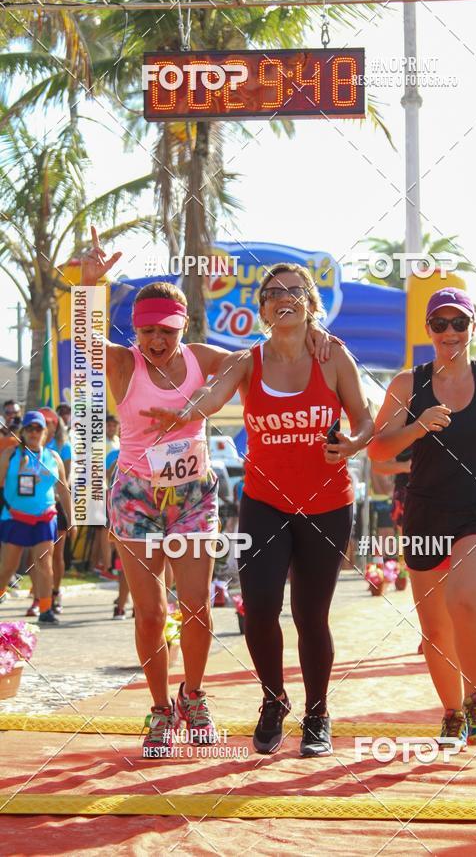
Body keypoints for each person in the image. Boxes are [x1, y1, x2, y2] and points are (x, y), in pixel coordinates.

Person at [81, 230, 336, 758]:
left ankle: (193, 697)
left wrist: (313, 335)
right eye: (148, 331)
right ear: (136, 330)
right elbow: (83, 335)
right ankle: (158, 711)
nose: (158, 341)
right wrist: (89, 284)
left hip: (194, 493)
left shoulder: (201, 357)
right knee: (150, 612)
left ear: (183, 328)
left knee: (196, 605)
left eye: (167, 331)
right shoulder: (123, 364)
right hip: (135, 494)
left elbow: (264, 358)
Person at [143, 262, 374, 757]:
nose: (283, 298)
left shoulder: (333, 358)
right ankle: (274, 700)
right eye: (272, 293)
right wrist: (184, 412)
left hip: (327, 505)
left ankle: (317, 715)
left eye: (294, 291)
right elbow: (212, 393)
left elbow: (365, 417)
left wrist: (352, 443)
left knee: (312, 615)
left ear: (310, 303)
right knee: (260, 608)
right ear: (263, 309)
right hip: (264, 503)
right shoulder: (248, 361)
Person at [368, 287, 476, 749]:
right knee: (435, 629)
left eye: (459, 323)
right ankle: (452, 712)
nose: (450, 332)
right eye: (440, 324)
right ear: (428, 330)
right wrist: (418, 426)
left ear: (473, 328)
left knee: (465, 597)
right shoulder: (406, 384)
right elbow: (377, 451)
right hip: (425, 514)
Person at [0, 411, 73, 624]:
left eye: (38, 429)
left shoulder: (53, 457)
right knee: (8, 567)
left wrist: (71, 518)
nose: (34, 432)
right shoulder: (10, 455)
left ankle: (45, 609)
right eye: (30, 428)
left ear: (45, 432)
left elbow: (63, 489)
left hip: (45, 516)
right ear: (22, 431)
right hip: (15, 517)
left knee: (44, 563)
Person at [39, 408, 71, 614]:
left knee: (57, 554)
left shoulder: (63, 447)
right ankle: (40, 597)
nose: (45, 426)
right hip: (37, 504)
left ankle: (56, 592)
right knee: (40, 554)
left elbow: (64, 479)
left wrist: (70, 515)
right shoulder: (29, 445)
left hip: (57, 503)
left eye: (49, 422)